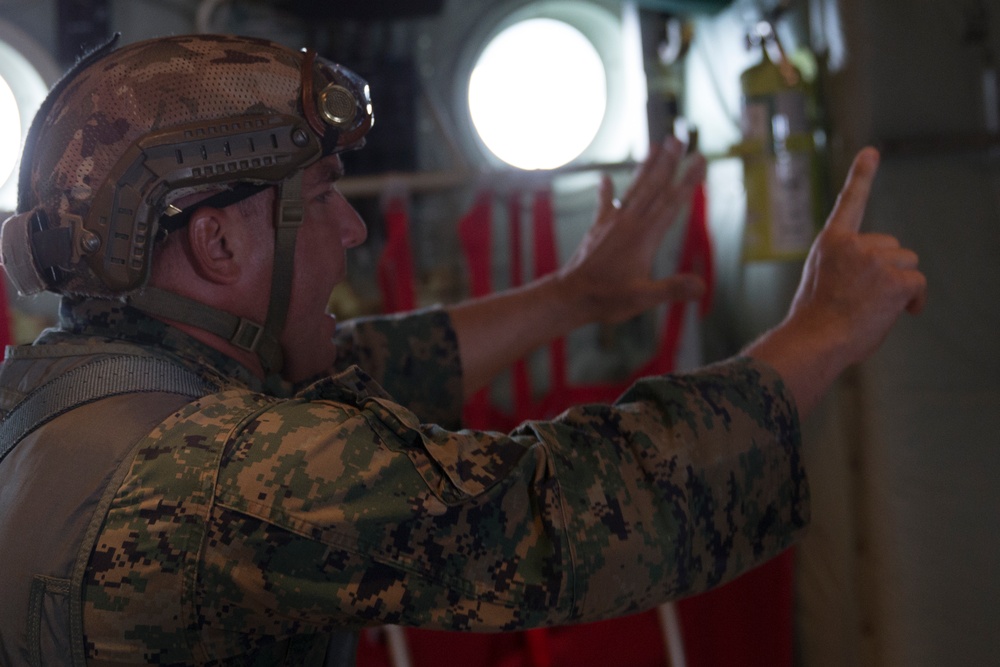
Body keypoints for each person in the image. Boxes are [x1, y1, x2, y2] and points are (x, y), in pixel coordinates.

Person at [0, 33, 924, 666]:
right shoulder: (224, 481)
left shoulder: (63, 395)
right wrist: (823, 332)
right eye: (321, 196)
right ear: (220, 246)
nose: (354, 229)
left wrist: (571, 298)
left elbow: (375, 365)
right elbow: (571, 510)